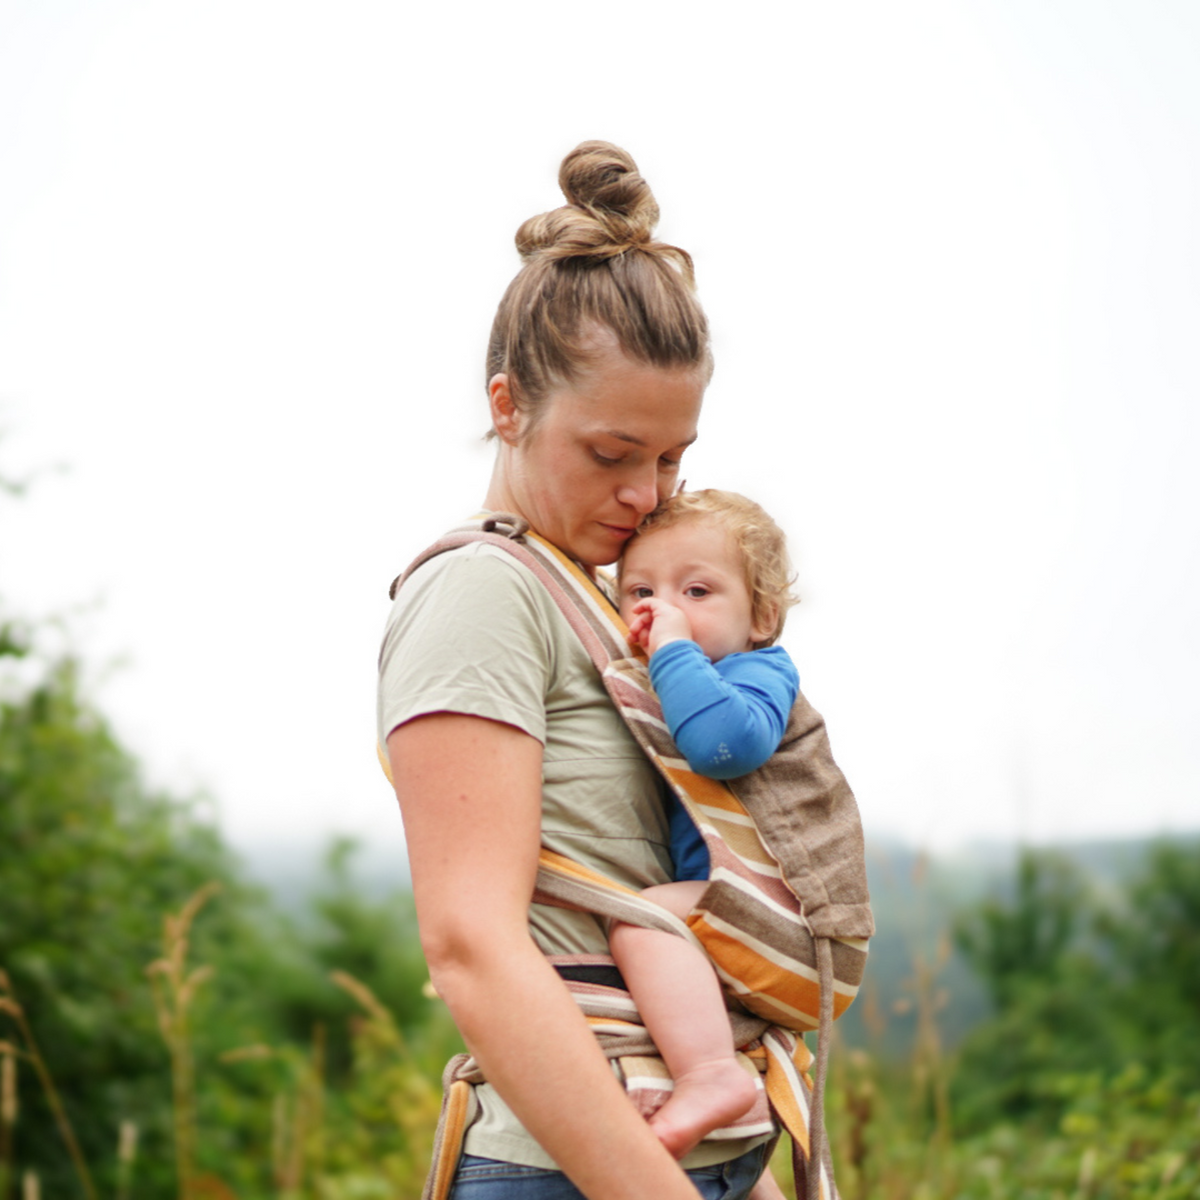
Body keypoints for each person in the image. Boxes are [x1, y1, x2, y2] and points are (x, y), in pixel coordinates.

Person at [378, 143, 779, 1200]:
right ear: (508, 406)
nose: (649, 494)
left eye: (673, 458)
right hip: (572, 1170)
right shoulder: (479, 591)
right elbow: (469, 946)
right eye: (612, 454)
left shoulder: (600, 594)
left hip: (706, 1151)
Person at [610, 490, 801, 1162]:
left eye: (696, 591)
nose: (663, 607)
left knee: (642, 921)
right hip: (731, 905)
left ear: (763, 615)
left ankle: (711, 1075)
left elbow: (724, 746)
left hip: (782, 908)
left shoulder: (759, 671)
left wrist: (669, 645)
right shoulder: (678, 679)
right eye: (640, 591)